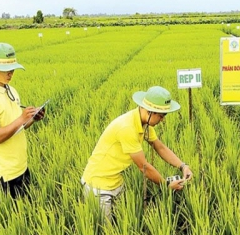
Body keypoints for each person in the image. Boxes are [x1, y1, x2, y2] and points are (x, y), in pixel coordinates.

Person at [81, 85, 193, 220]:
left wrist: (183, 166)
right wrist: (166, 185)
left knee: (124, 224)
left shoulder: (143, 124)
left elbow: (160, 147)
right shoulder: (127, 127)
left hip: (116, 182)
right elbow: (143, 166)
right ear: (150, 111)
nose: (163, 120)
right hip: (98, 186)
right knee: (107, 234)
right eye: (162, 115)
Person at [0, 42, 45, 198]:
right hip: (3, 175)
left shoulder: (11, 90)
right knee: (8, 219)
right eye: (6, 70)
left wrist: (32, 118)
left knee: (25, 214)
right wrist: (22, 118)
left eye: (12, 69)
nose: (11, 73)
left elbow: (18, 126)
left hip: (21, 166)